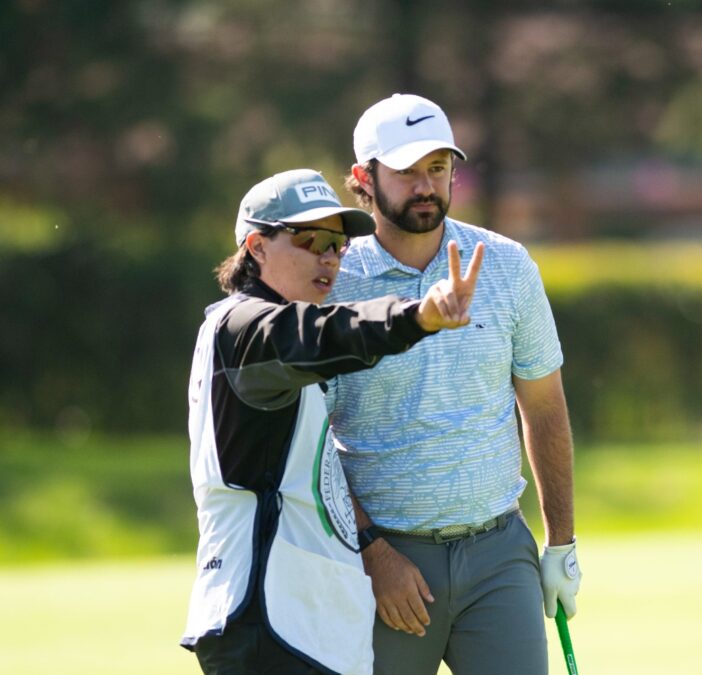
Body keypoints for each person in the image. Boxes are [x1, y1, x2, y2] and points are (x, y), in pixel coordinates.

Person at [180, 168, 484, 675]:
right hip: (266, 621)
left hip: (295, 626)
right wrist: (416, 317)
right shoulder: (247, 326)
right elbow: (325, 334)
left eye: (337, 244)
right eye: (310, 239)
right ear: (256, 247)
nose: (329, 257)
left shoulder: (259, 329)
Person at [326, 93, 580, 675]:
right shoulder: (336, 282)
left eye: (437, 168)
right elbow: (314, 444)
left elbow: (543, 407)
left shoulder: (508, 265)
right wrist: (374, 554)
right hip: (386, 564)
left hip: (498, 556)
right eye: (408, 171)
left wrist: (560, 543)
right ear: (365, 178)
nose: (426, 185)